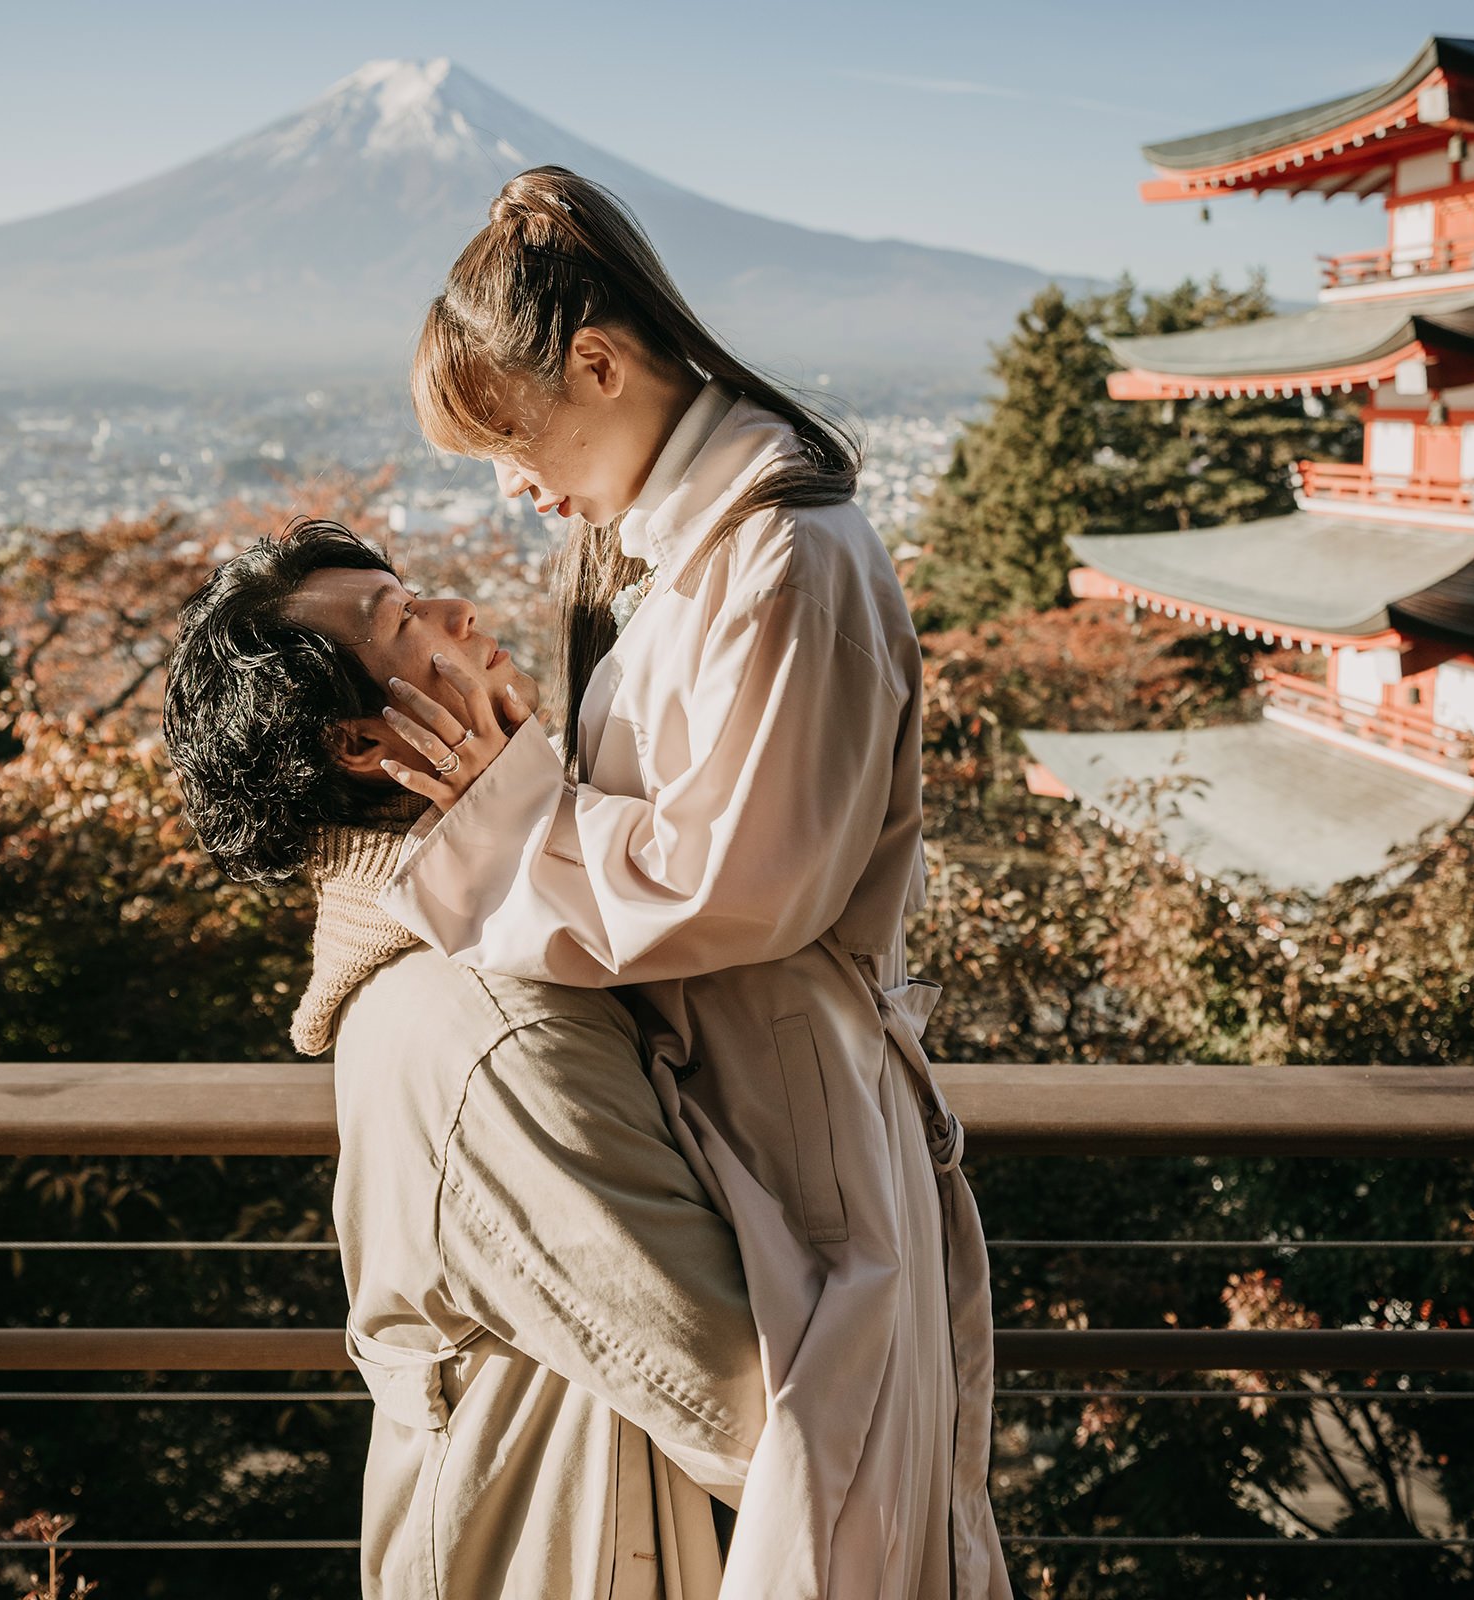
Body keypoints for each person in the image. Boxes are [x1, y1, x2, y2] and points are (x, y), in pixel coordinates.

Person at [371, 165, 1011, 1600]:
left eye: (509, 439)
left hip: (793, 1101)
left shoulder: (787, 558)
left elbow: (742, 884)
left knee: (838, 1534)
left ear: (597, 363)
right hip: (734, 1100)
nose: (514, 488)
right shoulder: (693, 555)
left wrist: (493, 812)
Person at [162, 520, 768, 1600]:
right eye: (403, 622)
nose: (460, 613)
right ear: (360, 745)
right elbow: (742, 1389)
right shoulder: (487, 1018)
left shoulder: (469, 958)